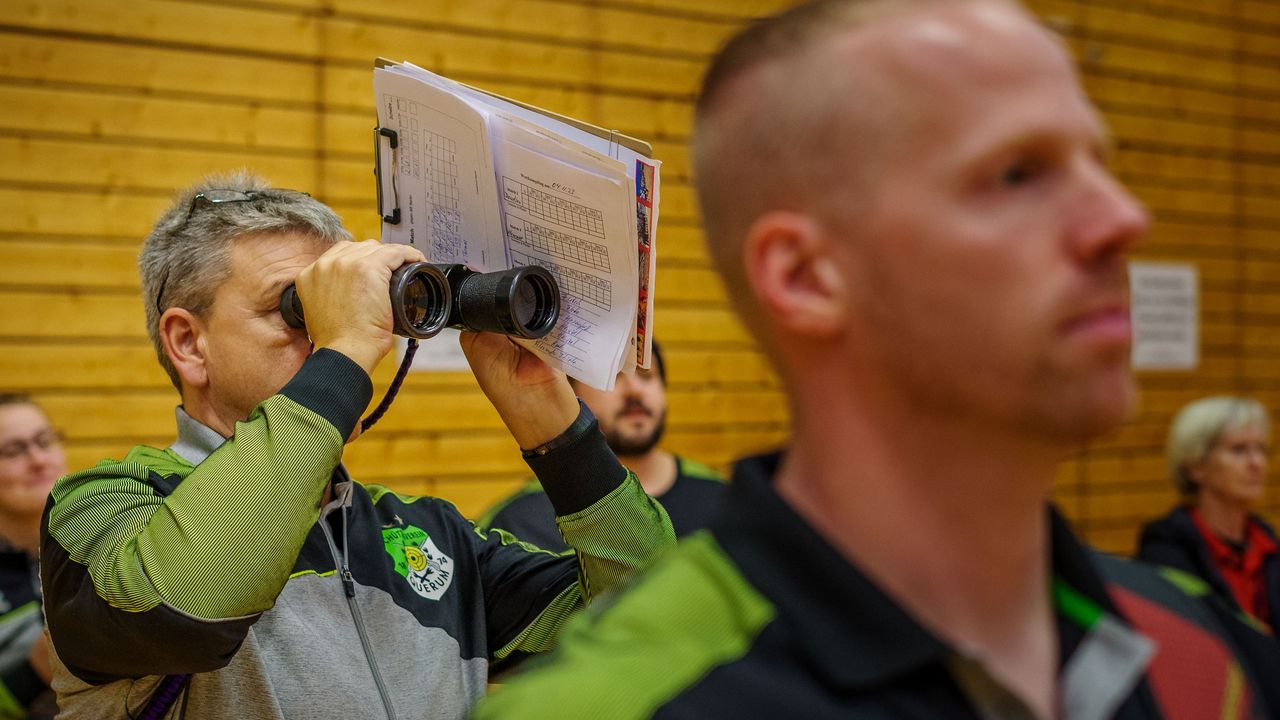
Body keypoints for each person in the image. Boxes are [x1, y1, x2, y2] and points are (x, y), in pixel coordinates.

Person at [473, 1, 1280, 718]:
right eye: (1016, 172)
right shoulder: (608, 703)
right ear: (806, 277)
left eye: (1100, 163)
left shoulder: (1206, 649)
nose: (1123, 219)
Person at [39, 171, 675, 719]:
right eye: (296, 310)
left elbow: (652, 624)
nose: (329, 335)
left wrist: (556, 429)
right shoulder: (102, 511)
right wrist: (341, 350)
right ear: (189, 343)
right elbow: (194, 600)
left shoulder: (430, 537)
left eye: (339, 308)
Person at [478, 341, 726, 551]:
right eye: (614, 377)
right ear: (571, 393)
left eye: (647, 376)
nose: (634, 391)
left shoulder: (722, 499)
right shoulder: (522, 519)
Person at [1137, 396, 1277, 632]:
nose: (1257, 463)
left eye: (1261, 449)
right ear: (1196, 466)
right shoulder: (1166, 550)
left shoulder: (1267, 542)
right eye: (1239, 449)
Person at [0, 395, 59, 719]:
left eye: (44, 441)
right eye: (13, 451)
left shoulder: (110, 542)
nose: (38, 459)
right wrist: (34, 671)